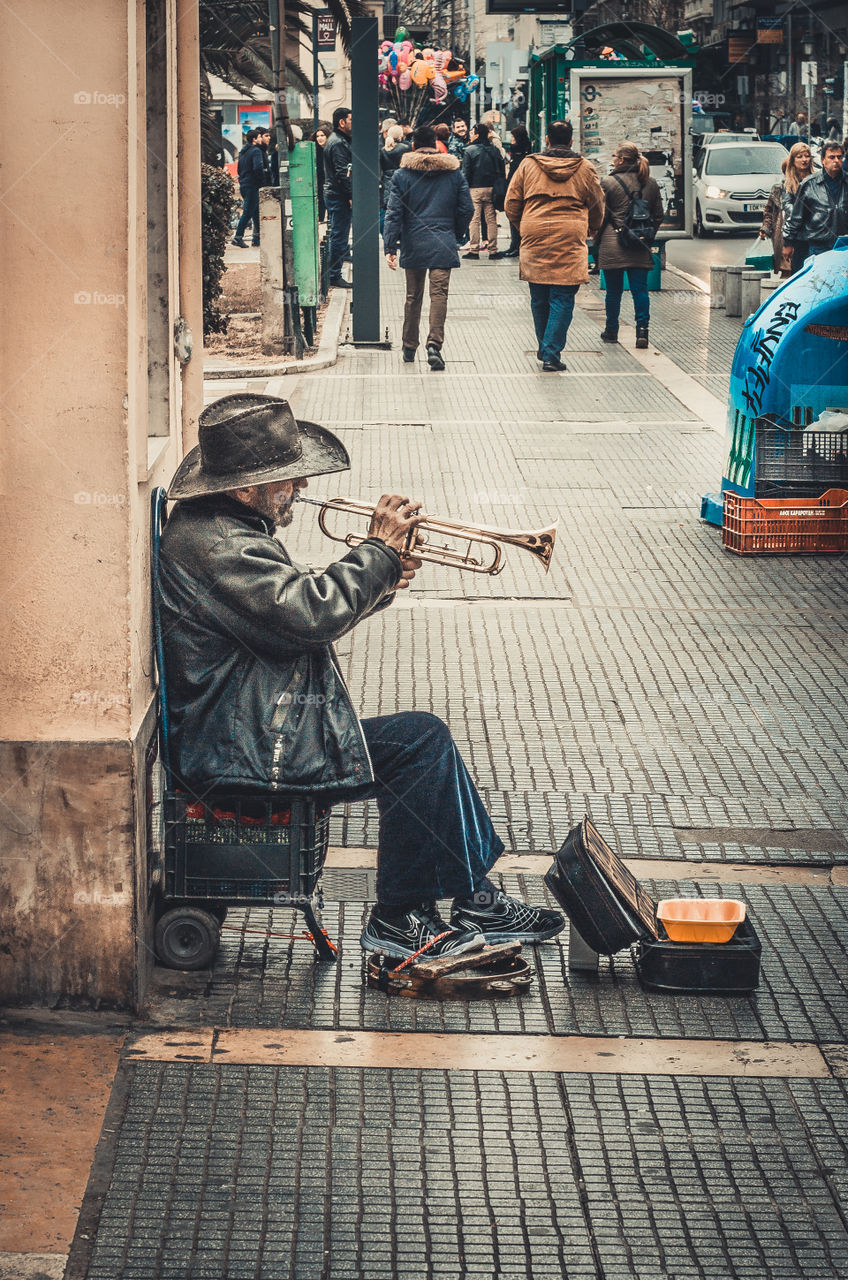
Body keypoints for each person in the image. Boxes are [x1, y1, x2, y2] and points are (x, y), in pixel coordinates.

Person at [158, 394, 565, 960]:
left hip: (248, 726)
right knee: (419, 744)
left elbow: (288, 619)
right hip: (238, 747)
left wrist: (384, 576)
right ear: (246, 488)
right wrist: (376, 552)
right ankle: (401, 918)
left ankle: (474, 900)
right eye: (288, 480)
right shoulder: (218, 544)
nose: (299, 489)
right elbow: (309, 613)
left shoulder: (221, 526)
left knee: (421, 738)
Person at [504, 118, 604, 372]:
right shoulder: (584, 167)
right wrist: (592, 226)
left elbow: (511, 202)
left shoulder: (528, 165)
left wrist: (524, 225)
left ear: (546, 140)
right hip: (570, 233)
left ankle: (545, 347)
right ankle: (550, 352)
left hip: (535, 231)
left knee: (539, 296)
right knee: (562, 295)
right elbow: (596, 203)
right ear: (571, 141)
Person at [383, 123, 473, 371]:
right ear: (436, 145)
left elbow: (393, 213)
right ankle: (434, 345)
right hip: (443, 241)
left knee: (413, 296)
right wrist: (456, 232)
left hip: (413, 241)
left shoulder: (402, 175)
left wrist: (390, 246)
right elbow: (467, 208)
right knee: (439, 295)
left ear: (413, 146)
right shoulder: (454, 174)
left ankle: (409, 346)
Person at [595, 141, 663, 349]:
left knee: (613, 292)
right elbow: (658, 215)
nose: (613, 159)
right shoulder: (650, 183)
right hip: (639, 245)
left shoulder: (607, 182)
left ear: (622, 160)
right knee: (640, 290)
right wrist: (646, 237)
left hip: (612, 243)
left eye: (615, 155)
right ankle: (642, 331)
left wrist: (596, 240)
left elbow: (600, 216)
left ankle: (611, 331)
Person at [784, 140, 848, 264]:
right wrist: (789, 243)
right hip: (819, 244)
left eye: (839, 157)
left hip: (844, 244)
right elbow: (796, 217)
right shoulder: (809, 184)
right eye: (831, 157)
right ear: (823, 160)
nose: (836, 160)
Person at [759, 142, 816, 275]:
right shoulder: (784, 186)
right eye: (800, 156)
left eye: (807, 156)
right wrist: (766, 229)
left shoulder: (817, 181)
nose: (804, 160)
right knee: (792, 271)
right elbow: (771, 211)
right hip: (791, 234)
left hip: (814, 234)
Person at [461, 122, 506, 258]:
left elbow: (466, 172)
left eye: (472, 132)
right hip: (492, 189)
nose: (470, 135)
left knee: (474, 220)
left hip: (475, 189)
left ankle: (474, 250)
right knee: (491, 220)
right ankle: (493, 250)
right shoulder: (494, 150)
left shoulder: (469, 150)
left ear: (477, 134)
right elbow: (501, 169)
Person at [490, 125, 531, 259]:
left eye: (513, 137)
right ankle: (514, 245)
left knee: (516, 219)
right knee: (513, 219)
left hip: (519, 192)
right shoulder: (517, 153)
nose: (511, 139)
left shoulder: (522, 155)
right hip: (514, 190)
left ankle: (517, 246)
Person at [324, 106, 353, 290]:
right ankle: (334, 275)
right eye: (351, 120)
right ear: (342, 122)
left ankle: (334, 271)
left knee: (339, 235)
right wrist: (350, 195)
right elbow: (343, 173)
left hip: (335, 194)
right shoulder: (338, 143)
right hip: (339, 196)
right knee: (339, 236)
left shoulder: (338, 140)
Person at [231, 128, 265, 248]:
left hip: (244, 184)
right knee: (248, 212)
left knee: (255, 211)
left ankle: (257, 237)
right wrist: (262, 179)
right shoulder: (256, 151)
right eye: (260, 137)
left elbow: (239, 169)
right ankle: (238, 237)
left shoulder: (243, 152)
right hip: (252, 185)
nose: (261, 139)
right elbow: (258, 167)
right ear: (255, 139)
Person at [378, 124, 410, 232]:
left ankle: (388, 234)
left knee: (388, 210)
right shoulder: (405, 148)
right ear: (400, 136)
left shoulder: (383, 150)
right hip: (402, 181)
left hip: (387, 182)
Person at [311, 126, 328, 223]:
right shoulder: (315, 151)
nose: (320, 138)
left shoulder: (331, 149)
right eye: (317, 136)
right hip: (319, 180)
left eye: (322, 135)